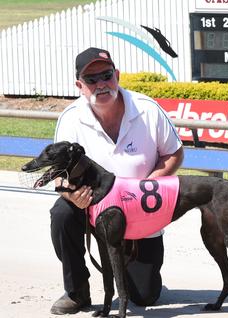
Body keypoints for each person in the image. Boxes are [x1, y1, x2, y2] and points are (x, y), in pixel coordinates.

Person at [49, 47, 184, 314]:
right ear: (80, 85)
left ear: (117, 75)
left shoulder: (147, 109)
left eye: (106, 75)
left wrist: (149, 185)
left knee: (144, 296)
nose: (101, 84)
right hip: (92, 209)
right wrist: (71, 195)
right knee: (62, 212)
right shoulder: (70, 119)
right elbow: (58, 177)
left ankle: (132, 268)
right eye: (92, 79)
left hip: (139, 210)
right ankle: (77, 292)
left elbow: (174, 153)